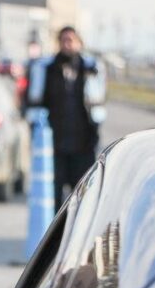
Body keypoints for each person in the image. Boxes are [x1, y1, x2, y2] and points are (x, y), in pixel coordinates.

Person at [27, 26, 106, 212]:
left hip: (83, 143)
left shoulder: (89, 69)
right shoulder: (48, 68)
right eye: (64, 40)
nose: (67, 44)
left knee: (83, 196)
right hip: (54, 143)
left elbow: (98, 101)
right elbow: (35, 103)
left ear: (79, 42)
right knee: (54, 194)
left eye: (71, 40)